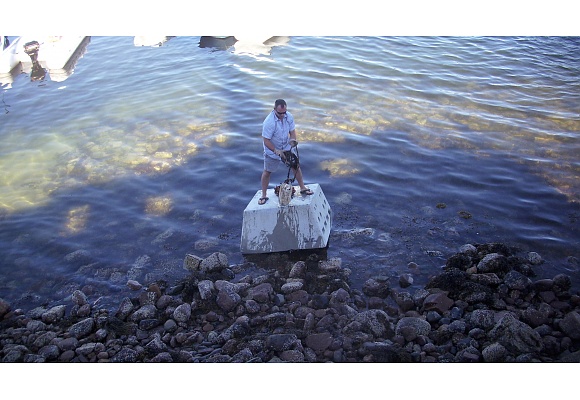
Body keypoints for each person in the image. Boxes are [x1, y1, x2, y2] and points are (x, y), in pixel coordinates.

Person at [259, 99, 313, 205]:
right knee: (267, 172)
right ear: (274, 109)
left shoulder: (289, 116)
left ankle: (302, 187)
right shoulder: (269, 122)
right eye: (280, 113)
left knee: (295, 166)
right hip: (272, 151)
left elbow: (292, 132)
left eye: (284, 112)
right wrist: (276, 151)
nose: (283, 115)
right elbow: (266, 141)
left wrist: (293, 140)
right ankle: (264, 195)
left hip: (287, 148)